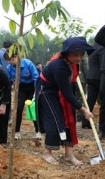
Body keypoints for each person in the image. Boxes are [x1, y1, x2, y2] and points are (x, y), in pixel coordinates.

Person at [36, 37, 94, 165]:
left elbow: (69, 88)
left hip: (61, 90)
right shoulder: (60, 66)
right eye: (75, 55)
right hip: (47, 91)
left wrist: (77, 105)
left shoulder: (72, 62)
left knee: (70, 118)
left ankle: (69, 154)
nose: (79, 58)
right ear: (67, 53)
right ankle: (47, 152)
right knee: (56, 120)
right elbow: (67, 93)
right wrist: (83, 109)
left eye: (81, 55)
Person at [4, 51, 40, 140]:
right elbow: (9, 81)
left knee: (33, 108)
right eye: (8, 60)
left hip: (32, 87)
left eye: (10, 60)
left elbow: (36, 78)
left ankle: (38, 131)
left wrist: (36, 92)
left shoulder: (28, 63)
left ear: (16, 57)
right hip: (21, 88)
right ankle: (17, 132)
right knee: (18, 108)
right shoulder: (9, 68)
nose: (9, 62)